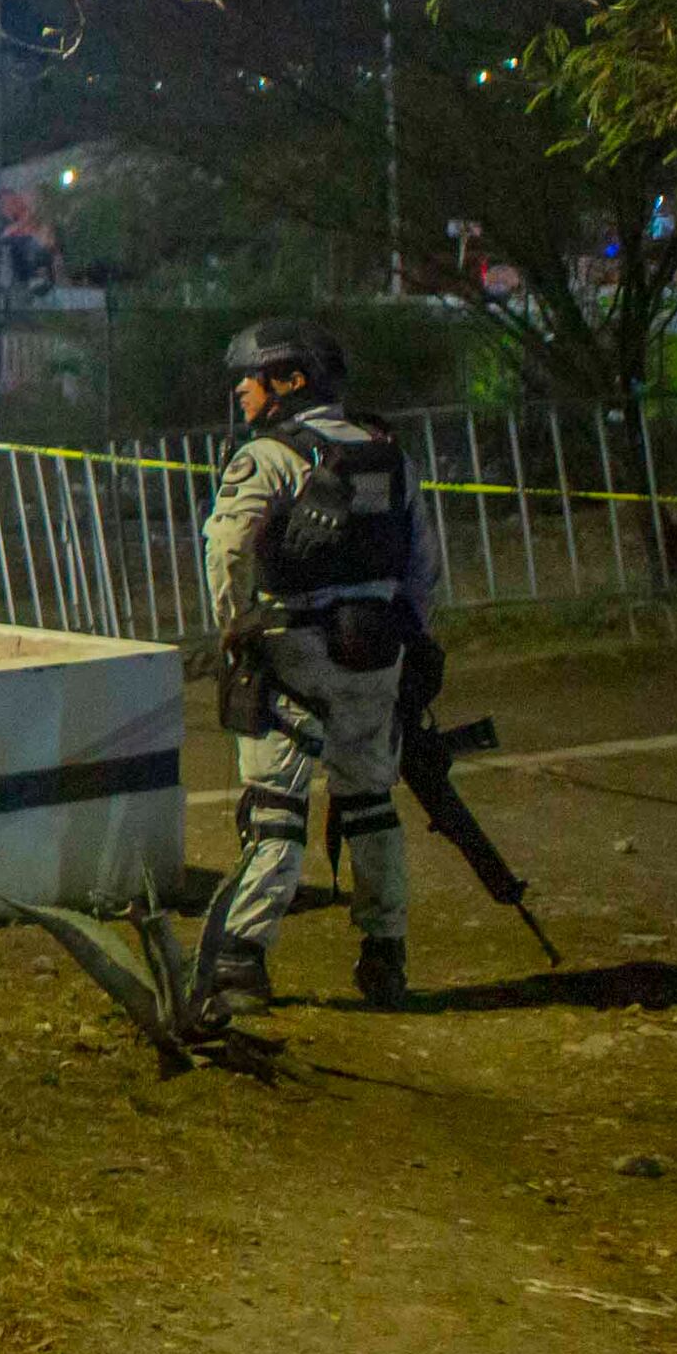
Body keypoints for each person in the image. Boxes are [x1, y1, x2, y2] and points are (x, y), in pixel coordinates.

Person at [187, 317, 434, 1028]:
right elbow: (424, 567)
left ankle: (240, 957)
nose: (240, 388)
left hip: (293, 651)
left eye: (251, 376)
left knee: (275, 810)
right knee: (370, 802)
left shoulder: (266, 456)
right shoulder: (389, 453)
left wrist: (236, 629)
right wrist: (409, 637)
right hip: (374, 654)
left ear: (289, 380)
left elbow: (227, 547)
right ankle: (385, 949)